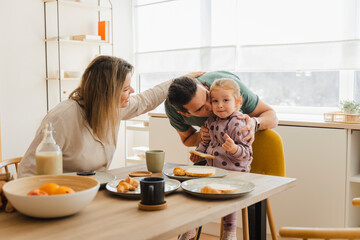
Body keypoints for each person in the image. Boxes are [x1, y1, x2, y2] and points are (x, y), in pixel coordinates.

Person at [18, 55, 203, 177]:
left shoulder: (111, 108)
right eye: (125, 89)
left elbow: (146, 99)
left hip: (96, 191)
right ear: (106, 92)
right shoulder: (62, 118)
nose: (132, 91)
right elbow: (28, 172)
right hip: (65, 197)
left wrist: (179, 81)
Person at [180, 78, 253, 240]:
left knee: (228, 197)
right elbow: (206, 143)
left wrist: (234, 149)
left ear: (237, 102)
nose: (219, 105)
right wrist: (197, 153)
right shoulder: (210, 121)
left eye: (225, 100)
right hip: (214, 170)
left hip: (235, 173)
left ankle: (230, 232)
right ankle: (191, 226)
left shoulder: (238, 123)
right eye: (215, 101)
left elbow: (247, 153)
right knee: (195, 190)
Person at [166, 70, 278, 165]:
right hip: (213, 158)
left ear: (205, 86)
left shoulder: (228, 87)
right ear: (185, 113)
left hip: (239, 157)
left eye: (208, 96)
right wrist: (202, 136)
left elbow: (271, 115)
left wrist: (255, 123)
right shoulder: (173, 109)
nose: (213, 106)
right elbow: (187, 139)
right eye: (200, 108)